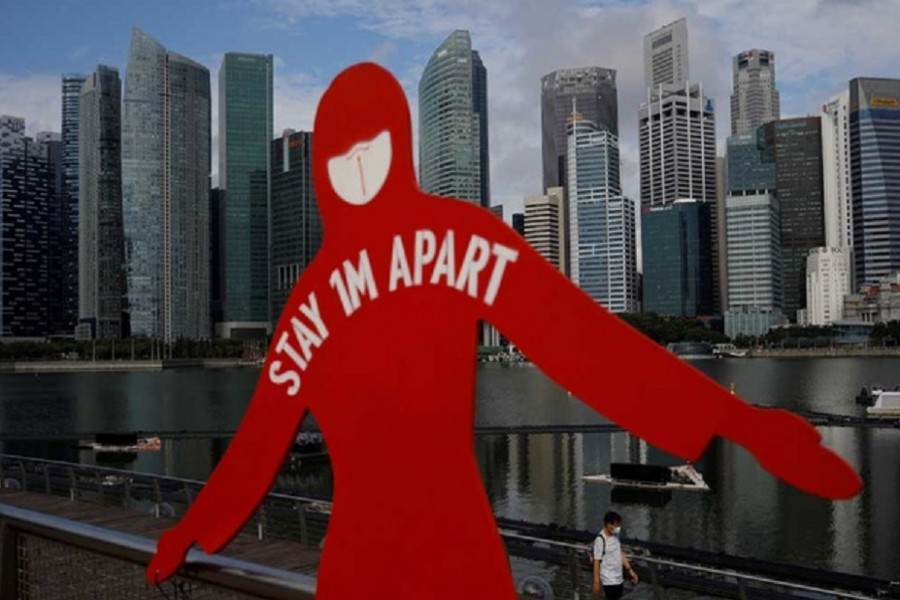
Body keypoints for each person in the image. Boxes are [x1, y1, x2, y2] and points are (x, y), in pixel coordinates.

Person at [146, 62, 861, 599]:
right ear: (321, 171)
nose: (359, 168)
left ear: (401, 145)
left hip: (459, 560)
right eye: (342, 156)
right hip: (358, 571)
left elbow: (588, 347)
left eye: (375, 147)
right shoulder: (309, 302)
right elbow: (255, 447)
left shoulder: (458, 242)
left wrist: (741, 422)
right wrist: (186, 532)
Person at [592, 511, 637, 599]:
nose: (617, 528)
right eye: (616, 525)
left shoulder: (616, 535)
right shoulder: (600, 540)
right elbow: (596, 561)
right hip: (608, 580)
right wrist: (596, 581)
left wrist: (630, 570)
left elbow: (620, 553)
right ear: (609, 524)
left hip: (619, 578)